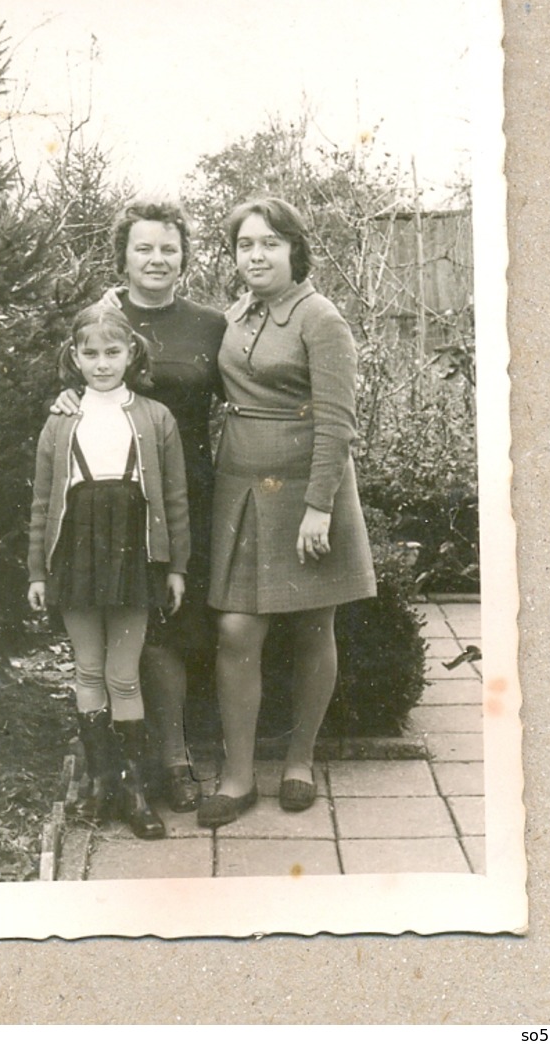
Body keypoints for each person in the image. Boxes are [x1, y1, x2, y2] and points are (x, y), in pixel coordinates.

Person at [197, 196, 377, 829]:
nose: (256, 255)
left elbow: (338, 421)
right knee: (237, 631)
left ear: (294, 249)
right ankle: (240, 775)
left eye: (269, 244)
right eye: (245, 245)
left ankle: (300, 760)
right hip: (241, 487)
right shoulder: (237, 316)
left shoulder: (320, 318)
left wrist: (318, 508)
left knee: (312, 627)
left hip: (307, 491)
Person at [53, 201, 226, 812]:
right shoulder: (104, 320)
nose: (158, 259)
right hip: (115, 499)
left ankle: (175, 759)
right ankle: (132, 768)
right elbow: (76, 380)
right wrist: (65, 403)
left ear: (185, 256)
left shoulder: (210, 324)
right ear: (123, 255)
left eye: (169, 248)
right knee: (128, 633)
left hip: (191, 490)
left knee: (175, 625)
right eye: (144, 248)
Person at [28, 303, 190, 840]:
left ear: (131, 355)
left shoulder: (154, 416)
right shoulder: (60, 419)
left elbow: (174, 498)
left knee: (124, 673)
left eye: (112, 352)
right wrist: (37, 572)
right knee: (88, 670)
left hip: (133, 552)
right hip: (76, 550)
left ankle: (134, 788)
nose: (101, 364)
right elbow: (42, 503)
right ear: (74, 357)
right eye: (90, 354)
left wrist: (177, 567)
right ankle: (101, 782)